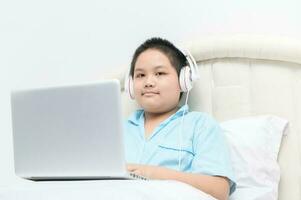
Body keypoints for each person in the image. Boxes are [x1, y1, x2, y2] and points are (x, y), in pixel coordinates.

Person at [123, 37, 236, 200]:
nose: (148, 82)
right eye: (140, 75)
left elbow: (219, 190)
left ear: (184, 80)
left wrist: (153, 173)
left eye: (159, 73)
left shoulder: (200, 125)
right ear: (130, 85)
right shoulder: (118, 130)